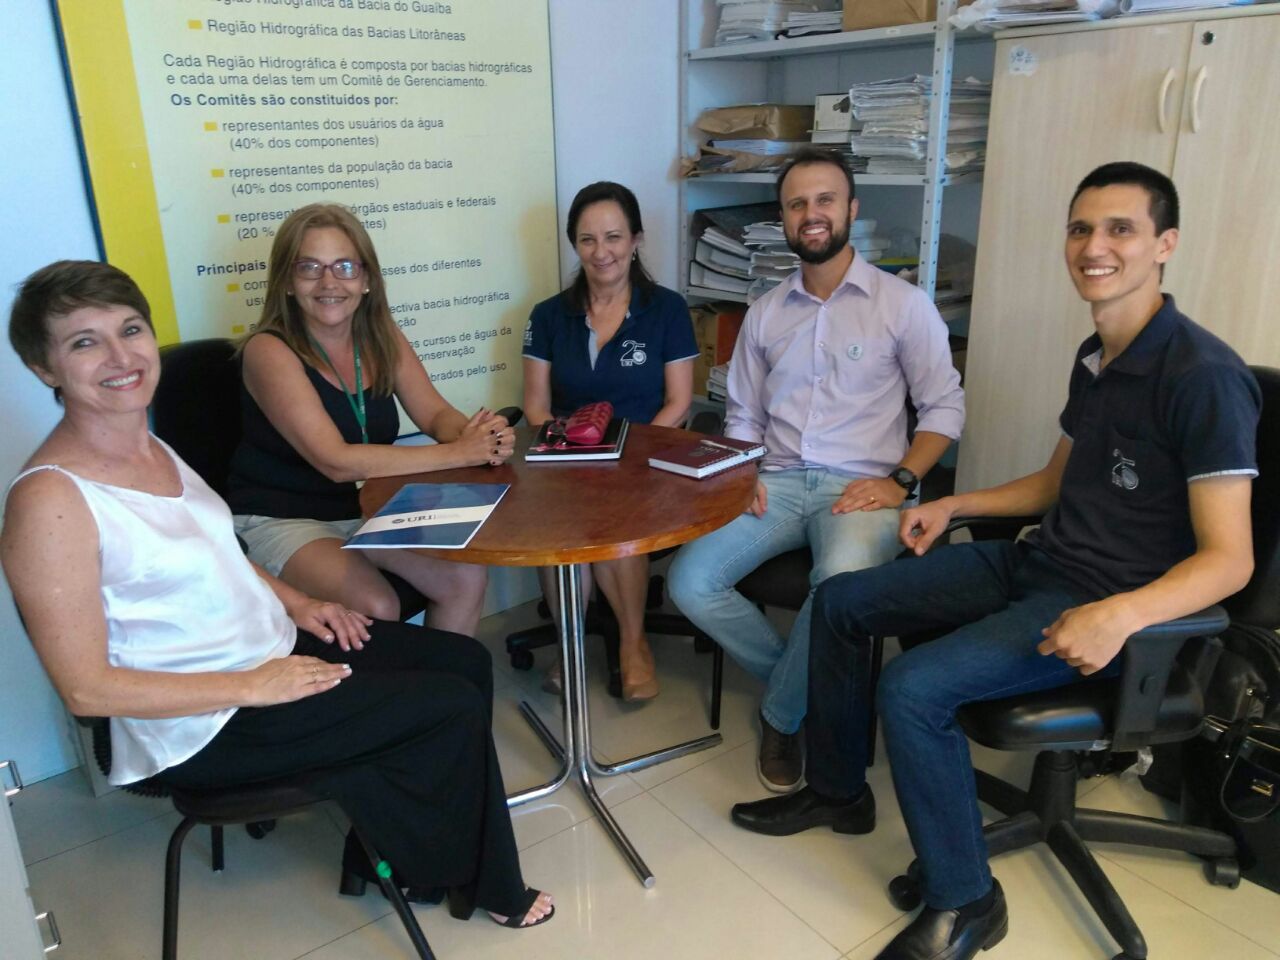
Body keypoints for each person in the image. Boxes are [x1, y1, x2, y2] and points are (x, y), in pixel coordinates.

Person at [731, 162, 1260, 960]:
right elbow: (1054, 483)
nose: (1094, 246)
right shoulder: (1099, 354)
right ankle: (838, 793)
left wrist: (1119, 615)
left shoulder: (1204, 378)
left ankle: (968, 903)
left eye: (1120, 229)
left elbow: (1230, 562)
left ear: (1165, 244)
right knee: (841, 602)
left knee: (912, 689)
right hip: (1036, 563)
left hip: (1104, 605)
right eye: (1081, 228)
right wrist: (954, 505)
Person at [1, 260, 554, 929]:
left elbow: (216, 551)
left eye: (131, 329)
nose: (121, 357)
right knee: (445, 706)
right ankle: (485, 884)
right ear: (45, 368)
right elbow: (86, 690)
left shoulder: (148, 446)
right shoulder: (50, 501)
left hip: (267, 653)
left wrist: (297, 603)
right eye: (85, 342)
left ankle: (389, 852)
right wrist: (254, 685)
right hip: (203, 721)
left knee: (462, 661)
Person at [668, 148, 965, 789]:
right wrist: (743, 475)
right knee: (689, 583)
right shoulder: (766, 313)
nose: (812, 214)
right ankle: (810, 686)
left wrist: (901, 482)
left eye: (825, 199)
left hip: (863, 487)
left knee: (837, 585)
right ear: (782, 218)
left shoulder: (902, 304)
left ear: (852, 208)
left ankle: (782, 715)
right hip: (773, 481)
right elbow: (743, 414)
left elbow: (944, 407)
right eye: (797, 204)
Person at [228, 203, 515, 636]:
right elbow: (336, 461)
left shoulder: (381, 336)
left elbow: (435, 413)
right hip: (282, 518)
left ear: (366, 279)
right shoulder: (268, 350)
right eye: (310, 267)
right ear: (287, 281)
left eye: (345, 267)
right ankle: (398, 682)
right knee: (376, 604)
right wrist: (460, 452)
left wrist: (477, 436)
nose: (329, 282)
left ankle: (445, 681)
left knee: (464, 577)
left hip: (364, 509)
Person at [522, 181, 698, 701]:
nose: (602, 252)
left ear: (636, 239)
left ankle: (632, 642)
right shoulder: (548, 316)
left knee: (613, 515)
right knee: (562, 522)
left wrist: (628, 459)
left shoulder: (666, 309)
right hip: (566, 459)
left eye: (614, 237)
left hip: (644, 461)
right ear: (575, 244)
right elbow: (534, 405)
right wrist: (568, 453)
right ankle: (570, 644)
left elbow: (679, 403)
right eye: (588, 239)